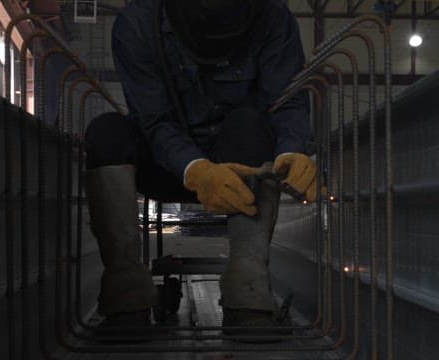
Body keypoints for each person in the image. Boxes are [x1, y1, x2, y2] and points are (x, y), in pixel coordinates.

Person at [84, 0, 317, 333]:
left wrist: (290, 152)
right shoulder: (137, 23)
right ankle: (126, 291)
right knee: (106, 133)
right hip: (166, 166)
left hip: (241, 166)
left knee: (249, 124)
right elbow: (154, 121)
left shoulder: (271, 16)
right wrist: (196, 169)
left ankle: (247, 289)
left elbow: (287, 100)